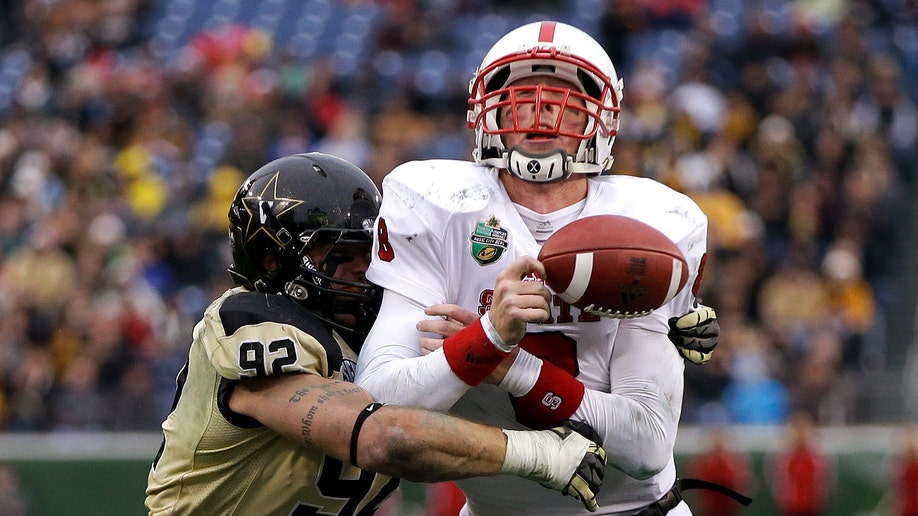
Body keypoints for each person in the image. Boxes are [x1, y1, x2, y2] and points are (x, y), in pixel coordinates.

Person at [356, 20, 721, 515]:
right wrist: (488, 338)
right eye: (523, 92)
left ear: (602, 118)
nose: (543, 107)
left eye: (565, 94)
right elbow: (378, 404)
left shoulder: (650, 227)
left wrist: (503, 360)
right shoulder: (435, 203)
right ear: (484, 108)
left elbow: (648, 445)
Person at [144, 152, 608, 515]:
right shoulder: (250, 321)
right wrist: (536, 453)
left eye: (370, 251)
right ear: (274, 261)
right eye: (344, 253)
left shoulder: (377, 340)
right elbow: (380, 438)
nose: (366, 270)